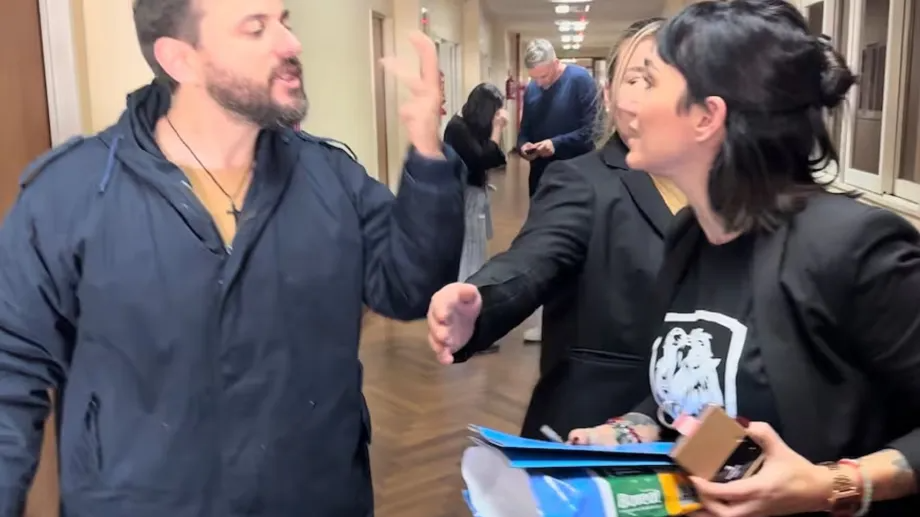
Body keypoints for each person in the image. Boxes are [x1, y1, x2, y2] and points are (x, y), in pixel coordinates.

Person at [0, 0, 466, 515]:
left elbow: (408, 288)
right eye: (256, 28)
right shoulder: (72, 192)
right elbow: (10, 366)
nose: (292, 44)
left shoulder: (332, 178)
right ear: (180, 59)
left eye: (284, 21)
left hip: (315, 497)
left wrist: (428, 153)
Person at [567, 1, 920, 515]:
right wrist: (634, 427)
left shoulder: (852, 245)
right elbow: (713, 400)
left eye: (649, 82)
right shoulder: (691, 235)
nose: (628, 103)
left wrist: (834, 485)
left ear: (707, 116)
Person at [426, 18, 685, 440]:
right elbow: (533, 260)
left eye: (669, 79)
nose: (650, 96)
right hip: (597, 431)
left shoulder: (729, 190)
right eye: (636, 79)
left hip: (711, 443)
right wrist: (481, 303)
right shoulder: (582, 181)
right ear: (609, 95)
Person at [516, 39, 599, 344]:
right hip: (542, 178)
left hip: (576, 175)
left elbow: (592, 130)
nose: (540, 83)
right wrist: (524, 145)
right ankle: (548, 320)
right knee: (544, 247)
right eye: (535, 77)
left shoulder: (580, 81)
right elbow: (525, 129)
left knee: (577, 246)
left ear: (555, 63)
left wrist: (557, 144)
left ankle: (581, 318)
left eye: (544, 76)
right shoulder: (533, 89)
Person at [444, 84, 508, 284]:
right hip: (465, 195)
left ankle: (473, 283)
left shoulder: (470, 126)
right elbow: (483, 159)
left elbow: (496, 158)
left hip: (474, 191)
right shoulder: (457, 128)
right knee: (470, 245)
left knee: (476, 244)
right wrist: (497, 130)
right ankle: (467, 286)